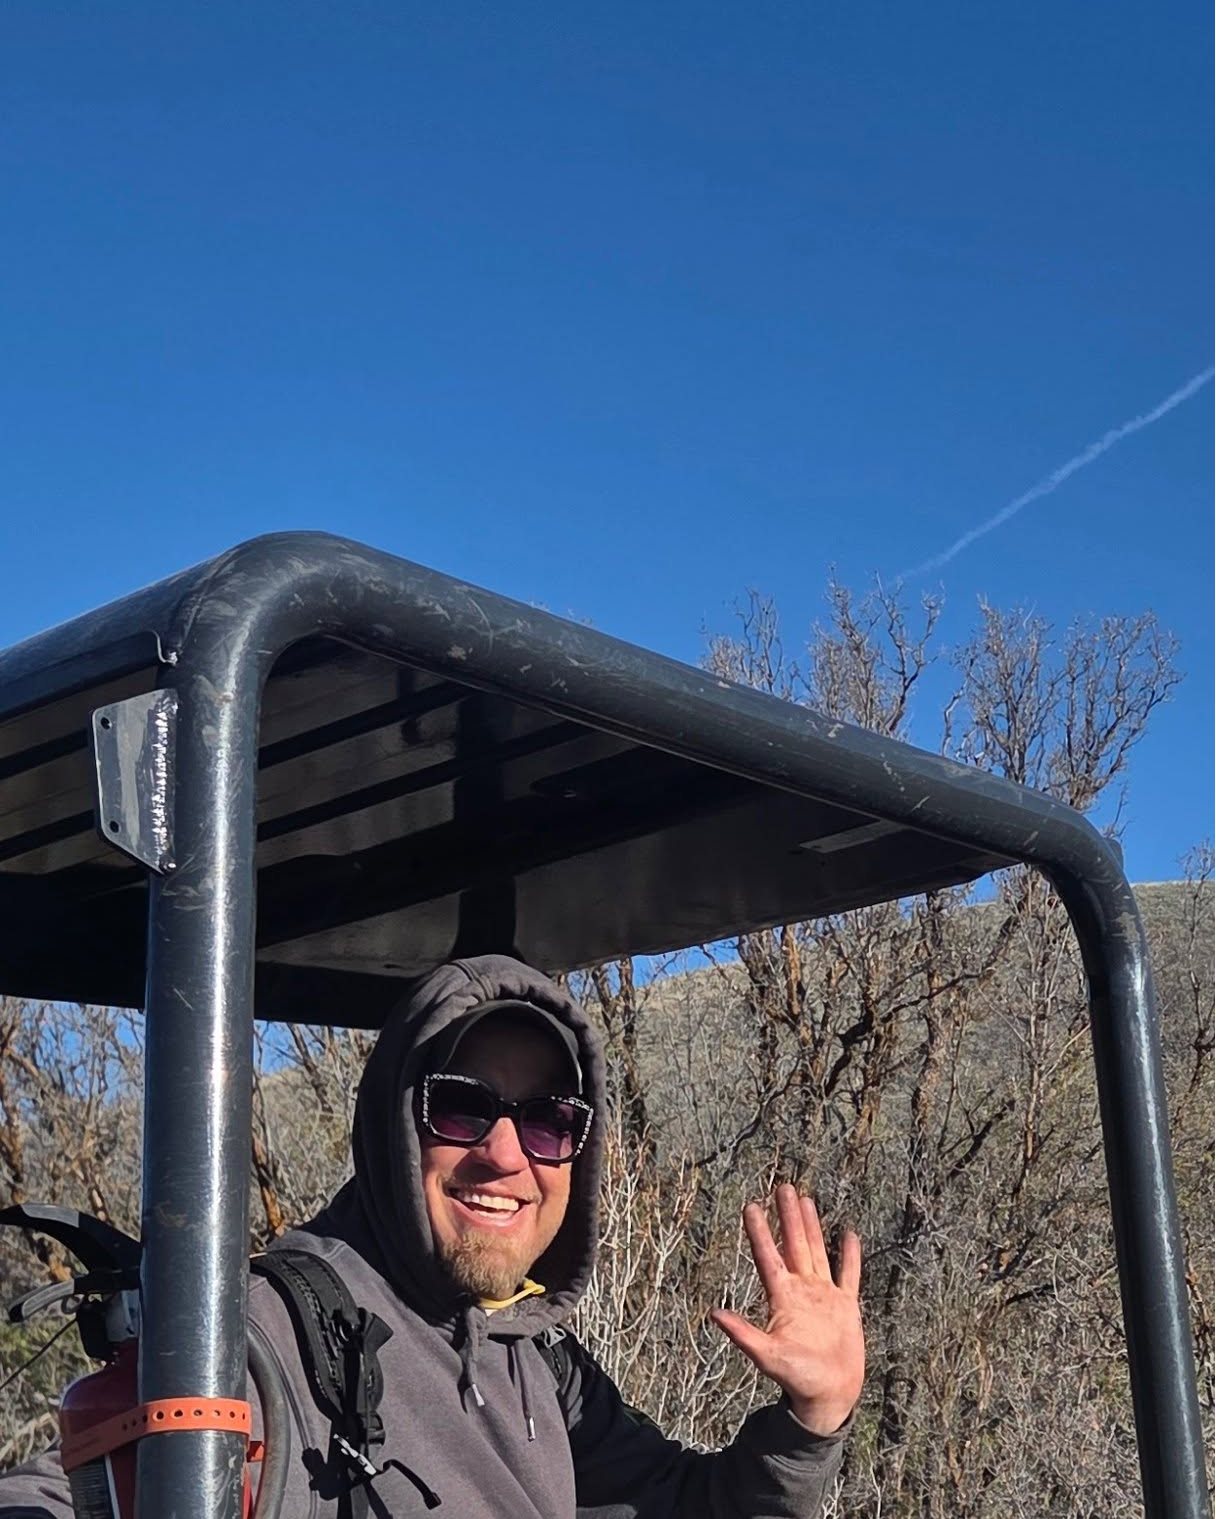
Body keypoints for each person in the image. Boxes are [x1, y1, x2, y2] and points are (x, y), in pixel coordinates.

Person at [0, 955, 865, 1517]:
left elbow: (685, 1506)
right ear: (392, 1125)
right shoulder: (274, 1338)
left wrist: (811, 1419)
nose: (503, 1156)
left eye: (549, 1120)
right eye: (461, 1105)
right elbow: (55, 1495)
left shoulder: (534, 1359)